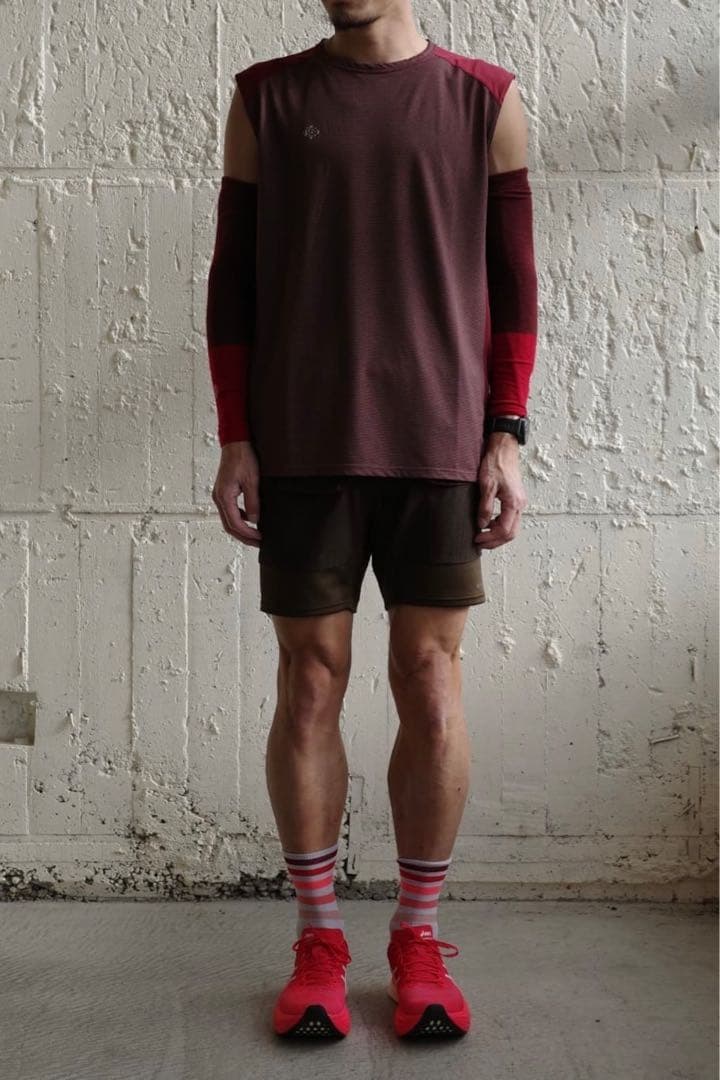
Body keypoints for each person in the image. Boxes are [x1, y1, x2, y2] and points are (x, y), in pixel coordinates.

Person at [206, 0, 537, 1042]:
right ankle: (318, 943)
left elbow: (515, 287)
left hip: (439, 443)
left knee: (431, 685)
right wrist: (235, 436)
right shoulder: (266, 98)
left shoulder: (485, 100)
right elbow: (232, 284)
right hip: (303, 441)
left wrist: (507, 435)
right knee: (309, 684)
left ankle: (418, 939)